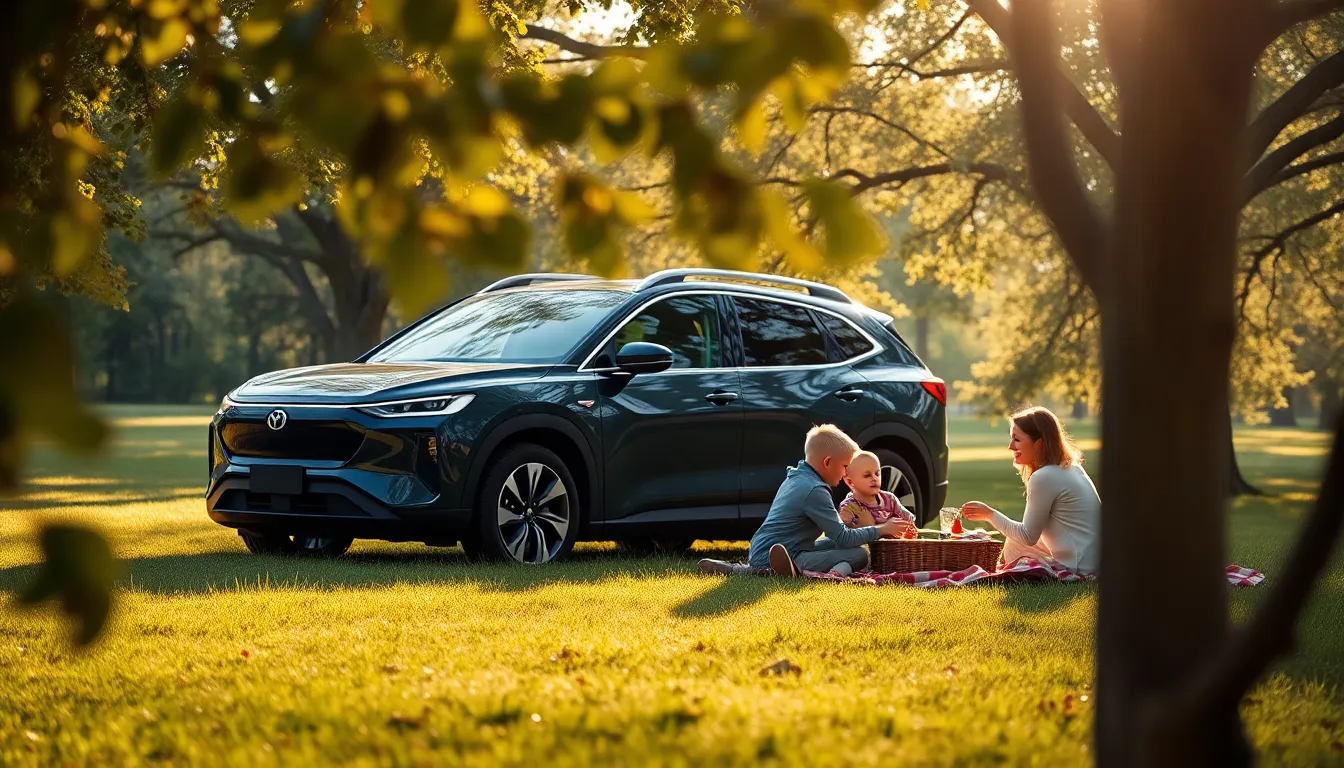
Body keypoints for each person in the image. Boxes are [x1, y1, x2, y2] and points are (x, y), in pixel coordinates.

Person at [724, 425, 911, 577]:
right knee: (859, 554)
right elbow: (844, 537)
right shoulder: (815, 491)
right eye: (845, 466)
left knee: (836, 543)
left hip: (766, 548)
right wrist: (882, 529)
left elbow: (836, 537)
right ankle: (826, 575)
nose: (846, 473)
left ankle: (744, 569)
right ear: (827, 462)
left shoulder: (797, 478)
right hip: (784, 554)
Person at [959, 406, 1101, 576]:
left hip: (1081, 567)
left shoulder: (1044, 476)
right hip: (1095, 560)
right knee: (1014, 541)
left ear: (1039, 443)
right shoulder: (1072, 468)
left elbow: (1028, 536)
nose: (1010, 446)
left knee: (1017, 540)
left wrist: (989, 514)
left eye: (1017, 440)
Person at [837, 450, 917, 534]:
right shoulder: (849, 508)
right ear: (850, 482)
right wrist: (873, 526)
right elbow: (844, 536)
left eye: (877, 474)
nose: (874, 478)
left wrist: (902, 525)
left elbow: (910, 520)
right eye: (867, 475)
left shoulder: (889, 500)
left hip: (893, 546)